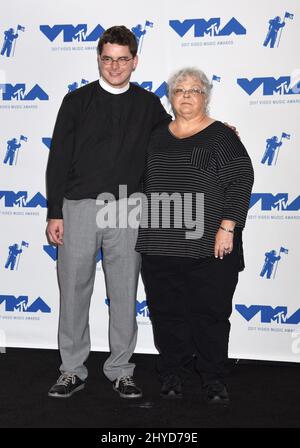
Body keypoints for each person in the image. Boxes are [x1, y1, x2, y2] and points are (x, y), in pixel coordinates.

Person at [46, 26, 171, 399]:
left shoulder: (149, 104)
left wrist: (216, 130)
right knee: (72, 292)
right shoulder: (76, 101)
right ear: (98, 59)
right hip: (79, 208)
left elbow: (175, 137)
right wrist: (55, 212)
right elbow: (59, 160)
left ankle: (121, 369)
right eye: (107, 59)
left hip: (128, 208)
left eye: (122, 59)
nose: (114, 66)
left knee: (123, 293)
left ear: (134, 61)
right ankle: (71, 369)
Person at [135, 67, 254, 404]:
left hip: (210, 245)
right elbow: (139, 179)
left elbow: (241, 180)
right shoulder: (154, 136)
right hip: (160, 244)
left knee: (211, 315)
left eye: (194, 90)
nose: (186, 95)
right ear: (170, 97)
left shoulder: (221, 136)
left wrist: (227, 227)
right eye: (179, 90)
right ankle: (172, 374)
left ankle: (214, 378)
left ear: (206, 97)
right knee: (167, 314)